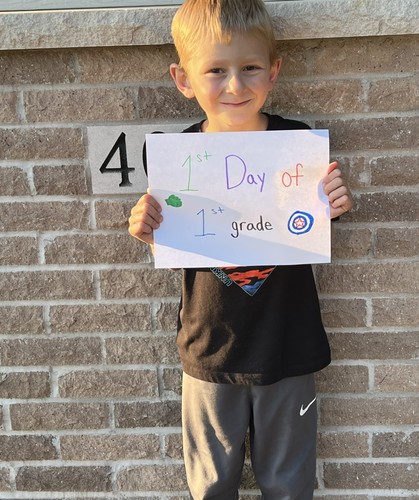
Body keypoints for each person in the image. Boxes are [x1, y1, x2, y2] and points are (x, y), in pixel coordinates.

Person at [128, 0, 354, 498]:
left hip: (288, 345)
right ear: (184, 79)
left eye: (250, 67)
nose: (235, 85)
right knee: (211, 485)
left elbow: (310, 221)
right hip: (209, 349)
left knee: (289, 484)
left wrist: (333, 204)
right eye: (216, 71)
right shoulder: (176, 158)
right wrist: (148, 229)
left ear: (273, 72)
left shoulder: (297, 144)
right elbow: (176, 236)